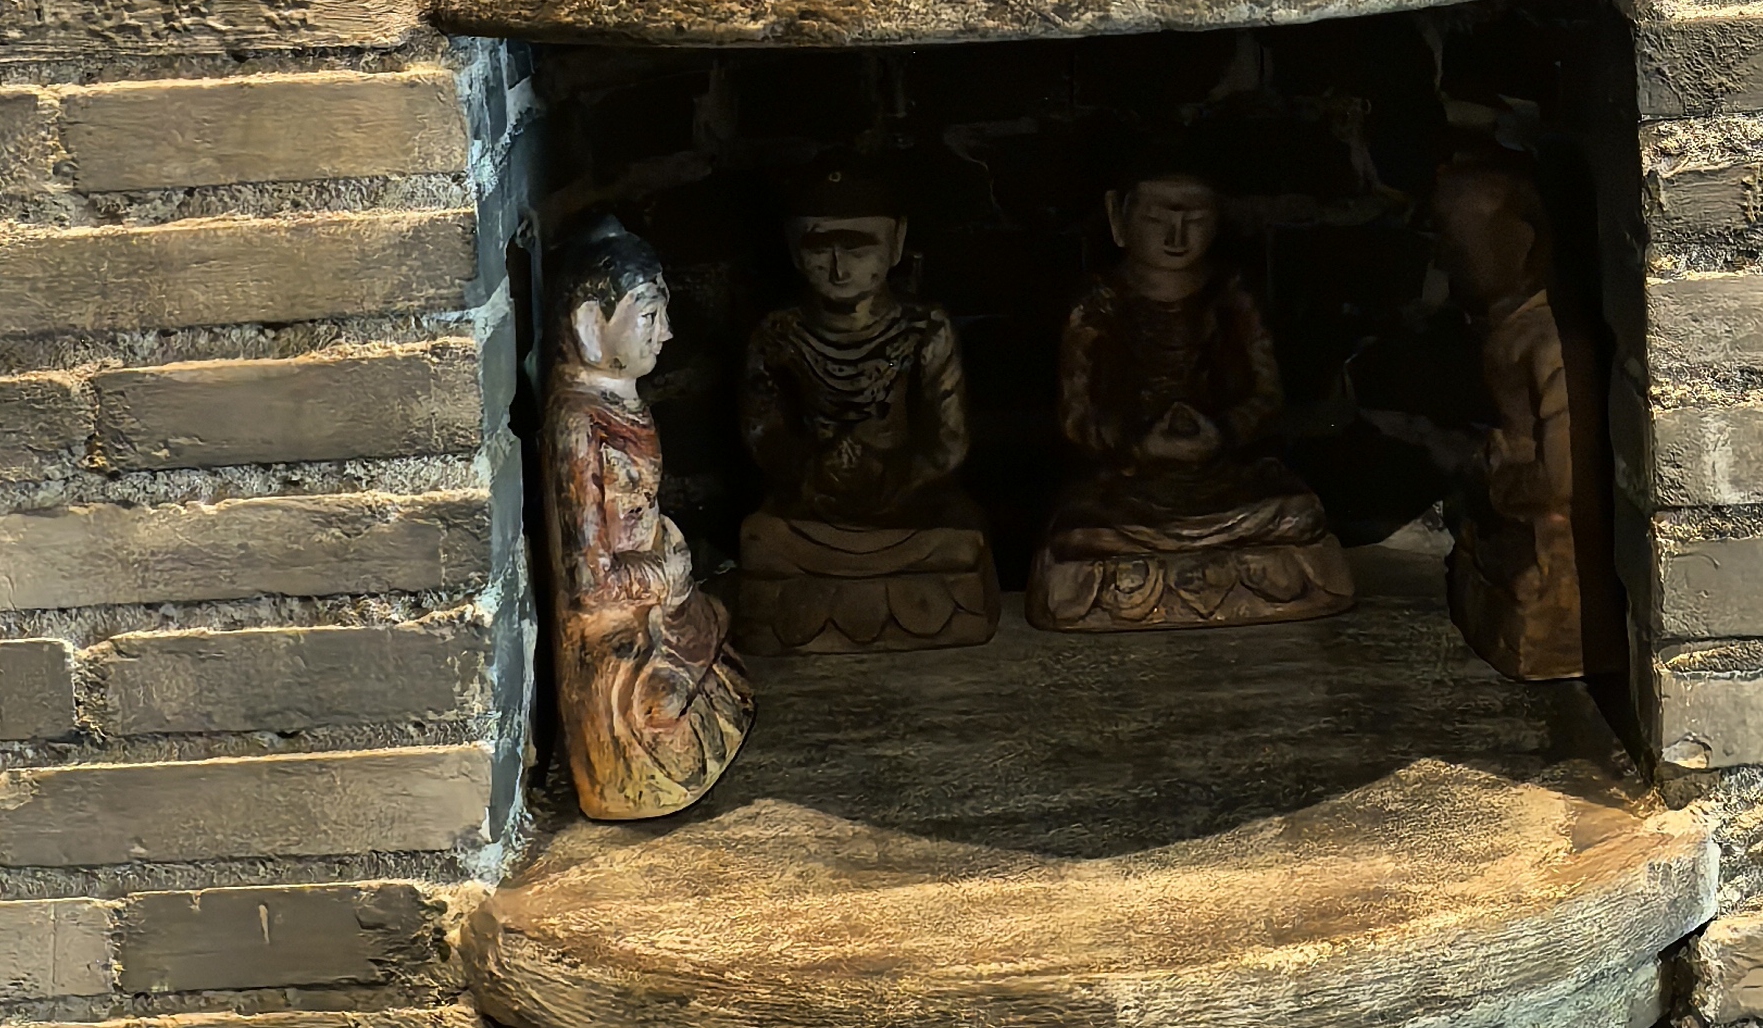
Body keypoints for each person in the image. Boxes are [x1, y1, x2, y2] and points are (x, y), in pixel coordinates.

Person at [1029, 170, 1352, 632]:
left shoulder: (1231, 297)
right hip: (1131, 489)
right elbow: (1076, 415)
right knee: (1077, 534)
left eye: (1195, 219)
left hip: (1223, 483)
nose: (1176, 236)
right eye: (1157, 218)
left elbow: (1266, 396)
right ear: (1118, 219)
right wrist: (1139, 443)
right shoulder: (1098, 306)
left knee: (1299, 515)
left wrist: (1223, 433)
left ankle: (1144, 587)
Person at [541, 214, 751, 819]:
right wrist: (665, 575)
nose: (667, 333)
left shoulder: (616, 402)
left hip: (657, 602)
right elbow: (588, 581)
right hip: (616, 628)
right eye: (650, 316)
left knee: (720, 631)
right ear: (590, 325)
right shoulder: (578, 426)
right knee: (666, 704)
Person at [735, 162, 997, 649]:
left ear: (896, 244)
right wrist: (814, 472)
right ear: (793, 248)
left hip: (906, 505)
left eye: (859, 248)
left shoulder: (925, 328)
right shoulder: (779, 334)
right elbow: (763, 433)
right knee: (760, 540)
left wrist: (893, 477)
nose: (839, 268)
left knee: (959, 541)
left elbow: (950, 439)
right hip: (815, 507)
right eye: (820, 249)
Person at [1429, 148, 1622, 687]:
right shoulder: (1509, 331)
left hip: (1549, 527)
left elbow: (1565, 477)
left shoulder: (1551, 343)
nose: (1440, 260)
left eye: (1455, 242)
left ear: (1520, 244)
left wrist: (1500, 479)